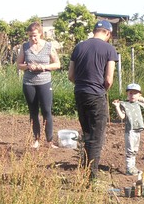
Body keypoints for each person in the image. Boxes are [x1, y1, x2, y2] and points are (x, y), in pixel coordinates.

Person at [68, 20, 119, 180]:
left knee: (87, 132)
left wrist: (83, 85)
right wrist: (102, 89)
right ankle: (92, 177)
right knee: (96, 136)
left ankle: (84, 170)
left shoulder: (79, 47)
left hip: (80, 93)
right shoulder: (109, 49)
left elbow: (70, 76)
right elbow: (109, 79)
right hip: (96, 94)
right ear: (108, 33)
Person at [16, 21, 61, 149]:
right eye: (30, 36)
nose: (32, 38)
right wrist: (28, 66)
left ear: (40, 34)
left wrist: (44, 67)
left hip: (44, 82)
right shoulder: (25, 47)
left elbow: (57, 64)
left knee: (47, 111)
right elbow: (19, 64)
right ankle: (36, 140)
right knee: (33, 112)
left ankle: (49, 141)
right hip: (29, 83)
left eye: (35, 35)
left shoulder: (48, 46)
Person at [112, 83, 144, 176]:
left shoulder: (138, 103)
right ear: (127, 94)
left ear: (139, 95)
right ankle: (129, 168)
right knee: (130, 150)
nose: (132, 95)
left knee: (135, 150)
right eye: (130, 93)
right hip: (130, 131)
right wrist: (117, 107)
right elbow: (122, 116)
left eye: (135, 93)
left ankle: (133, 167)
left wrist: (139, 97)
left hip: (138, 130)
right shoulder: (124, 104)